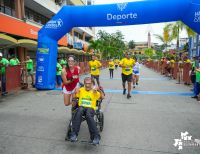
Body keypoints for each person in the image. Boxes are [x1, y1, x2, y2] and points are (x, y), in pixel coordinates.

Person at [69, 77, 105, 145]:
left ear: (92, 84)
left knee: (88, 114)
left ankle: (96, 137)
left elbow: (102, 97)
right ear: (84, 84)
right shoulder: (81, 89)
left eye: (89, 83)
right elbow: (75, 97)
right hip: (81, 107)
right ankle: (74, 135)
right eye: (86, 83)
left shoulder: (94, 91)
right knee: (79, 111)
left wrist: (99, 90)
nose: (87, 85)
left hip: (90, 108)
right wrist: (74, 91)